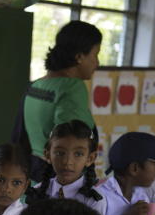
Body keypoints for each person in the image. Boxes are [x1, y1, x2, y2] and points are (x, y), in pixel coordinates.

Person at [21, 21, 102, 184]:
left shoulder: (37, 85)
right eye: (95, 55)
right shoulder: (72, 87)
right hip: (59, 179)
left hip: (33, 174)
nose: (97, 63)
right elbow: (72, 142)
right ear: (79, 57)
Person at [28, 120, 103, 205]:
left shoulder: (93, 199)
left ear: (90, 158)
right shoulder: (36, 192)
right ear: (48, 155)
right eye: (59, 153)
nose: (67, 162)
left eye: (78, 154)